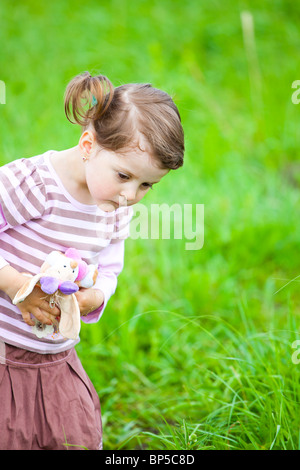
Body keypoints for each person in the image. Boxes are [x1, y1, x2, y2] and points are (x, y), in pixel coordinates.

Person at [0, 71, 184, 450]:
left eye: (148, 185)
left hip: (54, 355)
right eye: (124, 175)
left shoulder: (115, 205)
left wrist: (95, 296)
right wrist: (17, 285)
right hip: (4, 349)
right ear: (88, 144)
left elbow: (111, 267)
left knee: (74, 436)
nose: (132, 195)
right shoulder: (33, 183)